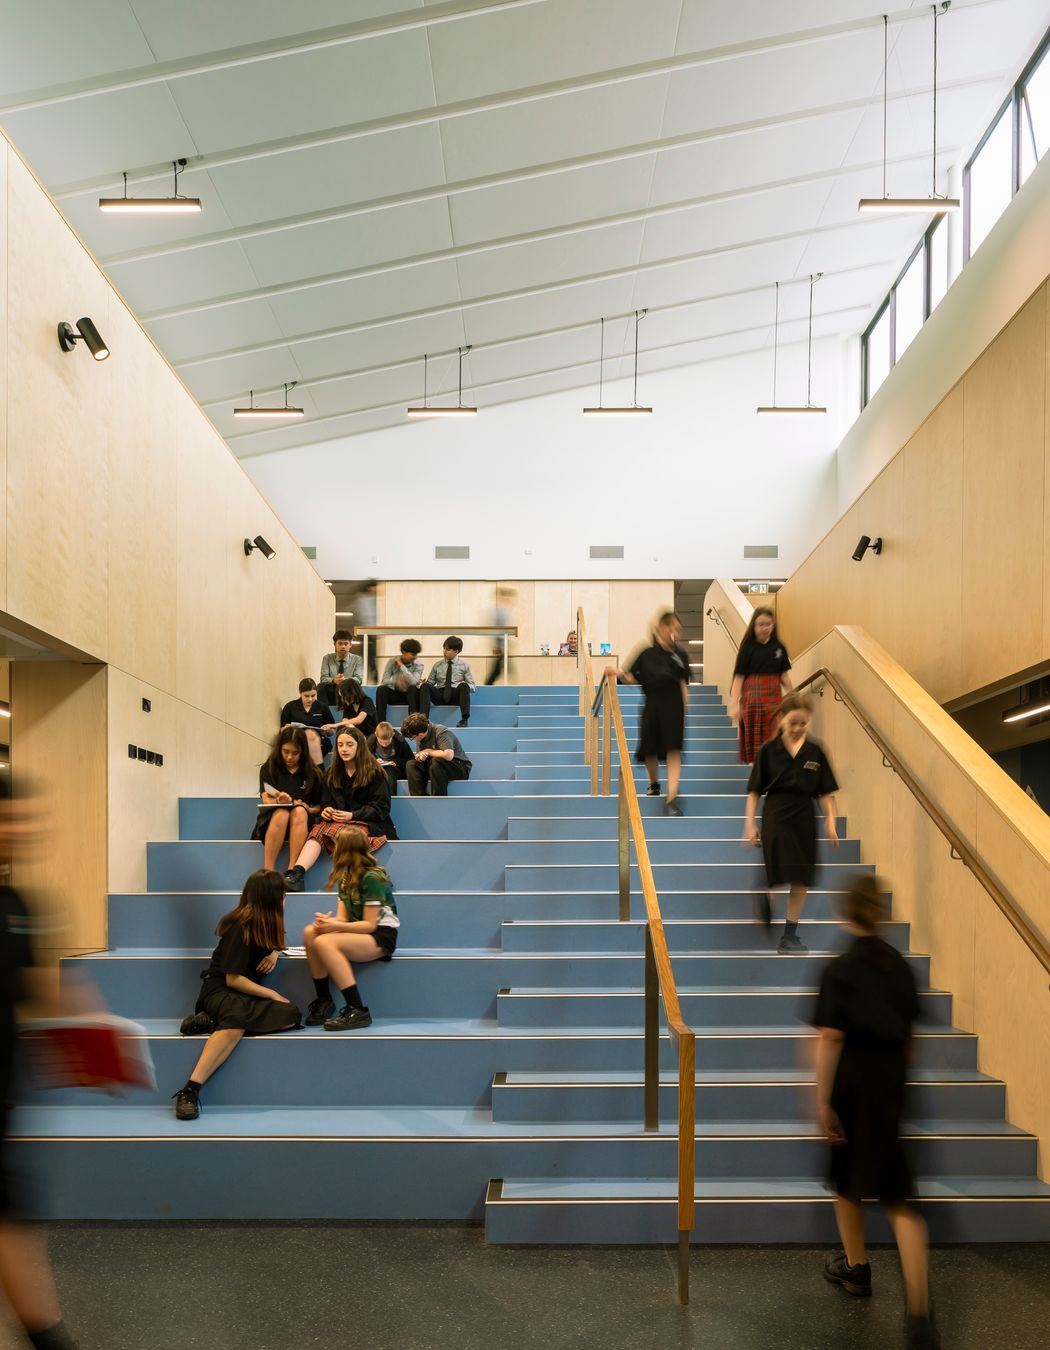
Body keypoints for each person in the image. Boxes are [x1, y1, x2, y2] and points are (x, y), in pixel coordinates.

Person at [814, 875, 938, 1349]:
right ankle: (920, 1312)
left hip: (852, 1082)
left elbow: (830, 1037)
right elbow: (910, 1039)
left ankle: (857, 1267)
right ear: (880, 913)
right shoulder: (899, 966)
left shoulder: (839, 968)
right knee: (899, 1196)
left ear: (845, 913)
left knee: (847, 1179)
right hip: (889, 1082)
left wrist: (822, 1099)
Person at [0, 777, 80, 1350]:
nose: (22, 830)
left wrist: (93, 1034)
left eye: (26, 818)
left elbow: (31, 985)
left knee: (12, 1215)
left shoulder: (17, 904)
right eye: (10, 818)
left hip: (4, 1091)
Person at [173, 869, 300, 1122]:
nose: (284, 900)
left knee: (291, 1014)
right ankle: (190, 1090)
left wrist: (274, 953)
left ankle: (210, 1023)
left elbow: (278, 943)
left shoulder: (265, 922)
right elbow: (233, 979)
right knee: (236, 1022)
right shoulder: (240, 927)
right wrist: (271, 993)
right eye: (282, 895)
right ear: (271, 899)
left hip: (243, 997)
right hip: (220, 990)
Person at [744, 692, 839, 954]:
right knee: (777, 870)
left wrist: (830, 819)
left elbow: (825, 792)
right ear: (781, 719)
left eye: (803, 723)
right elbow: (754, 791)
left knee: (801, 877)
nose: (797, 728)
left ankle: (789, 936)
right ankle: (766, 898)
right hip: (776, 813)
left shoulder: (816, 751)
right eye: (793, 722)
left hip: (804, 816)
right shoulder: (768, 751)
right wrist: (749, 824)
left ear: (809, 721)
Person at [302, 829, 400, 1031]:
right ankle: (324, 1000)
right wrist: (327, 923)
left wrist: (334, 927)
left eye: (337, 845)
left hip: (379, 936)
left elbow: (370, 925)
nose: (333, 850)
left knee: (324, 942)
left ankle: (357, 1009)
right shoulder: (346, 877)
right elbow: (343, 919)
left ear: (346, 849)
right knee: (311, 932)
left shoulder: (371, 877)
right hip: (358, 932)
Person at [283, 728, 395, 892]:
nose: (344, 749)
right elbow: (326, 802)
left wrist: (352, 815)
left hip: (368, 822)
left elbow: (382, 808)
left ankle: (378, 877)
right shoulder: (331, 772)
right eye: (340, 745)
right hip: (338, 822)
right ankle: (296, 875)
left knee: (348, 834)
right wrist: (326, 810)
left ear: (359, 746)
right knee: (318, 829)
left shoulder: (375, 772)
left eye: (349, 744)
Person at [607, 611, 691, 817]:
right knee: (649, 749)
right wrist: (618, 673)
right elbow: (632, 678)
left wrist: (684, 709)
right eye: (670, 626)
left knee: (673, 749)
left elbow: (683, 684)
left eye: (677, 628)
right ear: (660, 628)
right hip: (652, 704)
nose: (674, 631)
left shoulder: (680, 655)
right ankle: (654, 783)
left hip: (674, 707)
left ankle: (672, 798)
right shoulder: (646, 654)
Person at [251, 728, 322, 872]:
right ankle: (268, 871)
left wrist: (308, 808)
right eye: (286, 751)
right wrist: (279, 801)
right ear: (279, 749)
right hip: (273, 821)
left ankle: (292, 871)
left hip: (301, 822)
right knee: (282, 813)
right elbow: (266, 799)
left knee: (299, 811)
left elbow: (320, 806)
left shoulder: (312, 773)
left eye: (295, 753)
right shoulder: (269, 768)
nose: (290, 757)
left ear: (303, 751)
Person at [730, 606, 793, 764]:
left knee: (776, 738)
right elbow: (739, 678)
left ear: (773, 625)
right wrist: (734, 705)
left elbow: (784, 676)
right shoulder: (747, 647)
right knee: (757, 748)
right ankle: (758, 774)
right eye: (760, 624)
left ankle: (772, 773)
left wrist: (793, 696)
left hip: (774, 699)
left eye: (768, 624)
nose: (764, 628)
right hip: (753, 701)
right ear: (754, 626)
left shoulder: (779, 647)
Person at [402, 713, 472, 797]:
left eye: (412, 737)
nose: (413, 739)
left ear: (420, 734)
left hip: (458, 766)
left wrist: (428, 751)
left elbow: (448, 755)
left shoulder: (441, 731)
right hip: (434, 767)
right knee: (411, 764)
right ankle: (419, 798)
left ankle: (438, 798)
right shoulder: (420, 737)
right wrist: (421, 758)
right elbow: (421, 755)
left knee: (436, 762)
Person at [279, 678, 334, 767]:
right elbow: (282, 730)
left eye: (313, 696)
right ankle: (316, 769)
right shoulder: (290, 707)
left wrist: (328, 730)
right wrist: (286, 728)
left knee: (311, 736)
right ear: (300, 693)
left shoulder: (322, 707)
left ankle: (314, 769)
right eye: (306, 696)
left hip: (319, 741)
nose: (310, 699)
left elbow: (331, 732)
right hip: (296, 741)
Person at [425, 636, 476, 728]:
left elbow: (472, 686)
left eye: (448, 649)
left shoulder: (464, 665)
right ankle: (423, 720)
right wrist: (424, 683)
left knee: (464, 685)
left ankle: (464, 720)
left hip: (455, 695)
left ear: (456, 651)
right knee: (425, 686)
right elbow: (430, 683)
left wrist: (464, 686)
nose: (444, 651)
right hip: (440, 694)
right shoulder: (437, 665)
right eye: (444, 648)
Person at [376, 639, 428, 722]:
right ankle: (381, 723)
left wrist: (401, 666)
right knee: (381, 689)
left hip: (410, 696)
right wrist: (395, 681)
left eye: (416, 654)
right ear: (403, 652)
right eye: (412, 654)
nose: (415, 657)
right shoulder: (392, 661)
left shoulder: (419, 665)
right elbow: (384, 681)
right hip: (396, 693)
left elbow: (413, 682)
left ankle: (413, 723)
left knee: (412, 689)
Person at [318, 629, 363, 706]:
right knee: (321, 686)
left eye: (346, 644)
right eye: (340, 643)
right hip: (333, 689)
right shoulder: (327, 658)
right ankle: (323, 711)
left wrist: (346, 680)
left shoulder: (357, 659)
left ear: (350, 645)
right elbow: (323, 678)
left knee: (356, 687)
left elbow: (359, 679)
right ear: (334, 644)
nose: (343, 646)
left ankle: (354, 709)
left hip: (349, 690)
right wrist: (334, 680)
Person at [368, 722, 414, 796]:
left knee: (388, 770)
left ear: (393, 735)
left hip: (395, 769)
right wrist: (374, 761)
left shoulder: (400, 741)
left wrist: (397, 761)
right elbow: (363, 759)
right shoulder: (370, 742)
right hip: (376, 768)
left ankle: (391, 796)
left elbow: (410, 759)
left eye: (387, 742)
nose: (384, 745)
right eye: (381, 742)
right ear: (376, 735)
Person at [484, 586, 515, 686]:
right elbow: (496, 630)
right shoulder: (499, 611)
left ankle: (488, 685)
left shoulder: (505, 611)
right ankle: (488, 686)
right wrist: (499, 647)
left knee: (499, 670)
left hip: (503, 646)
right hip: (501, 646)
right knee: (499, 670)